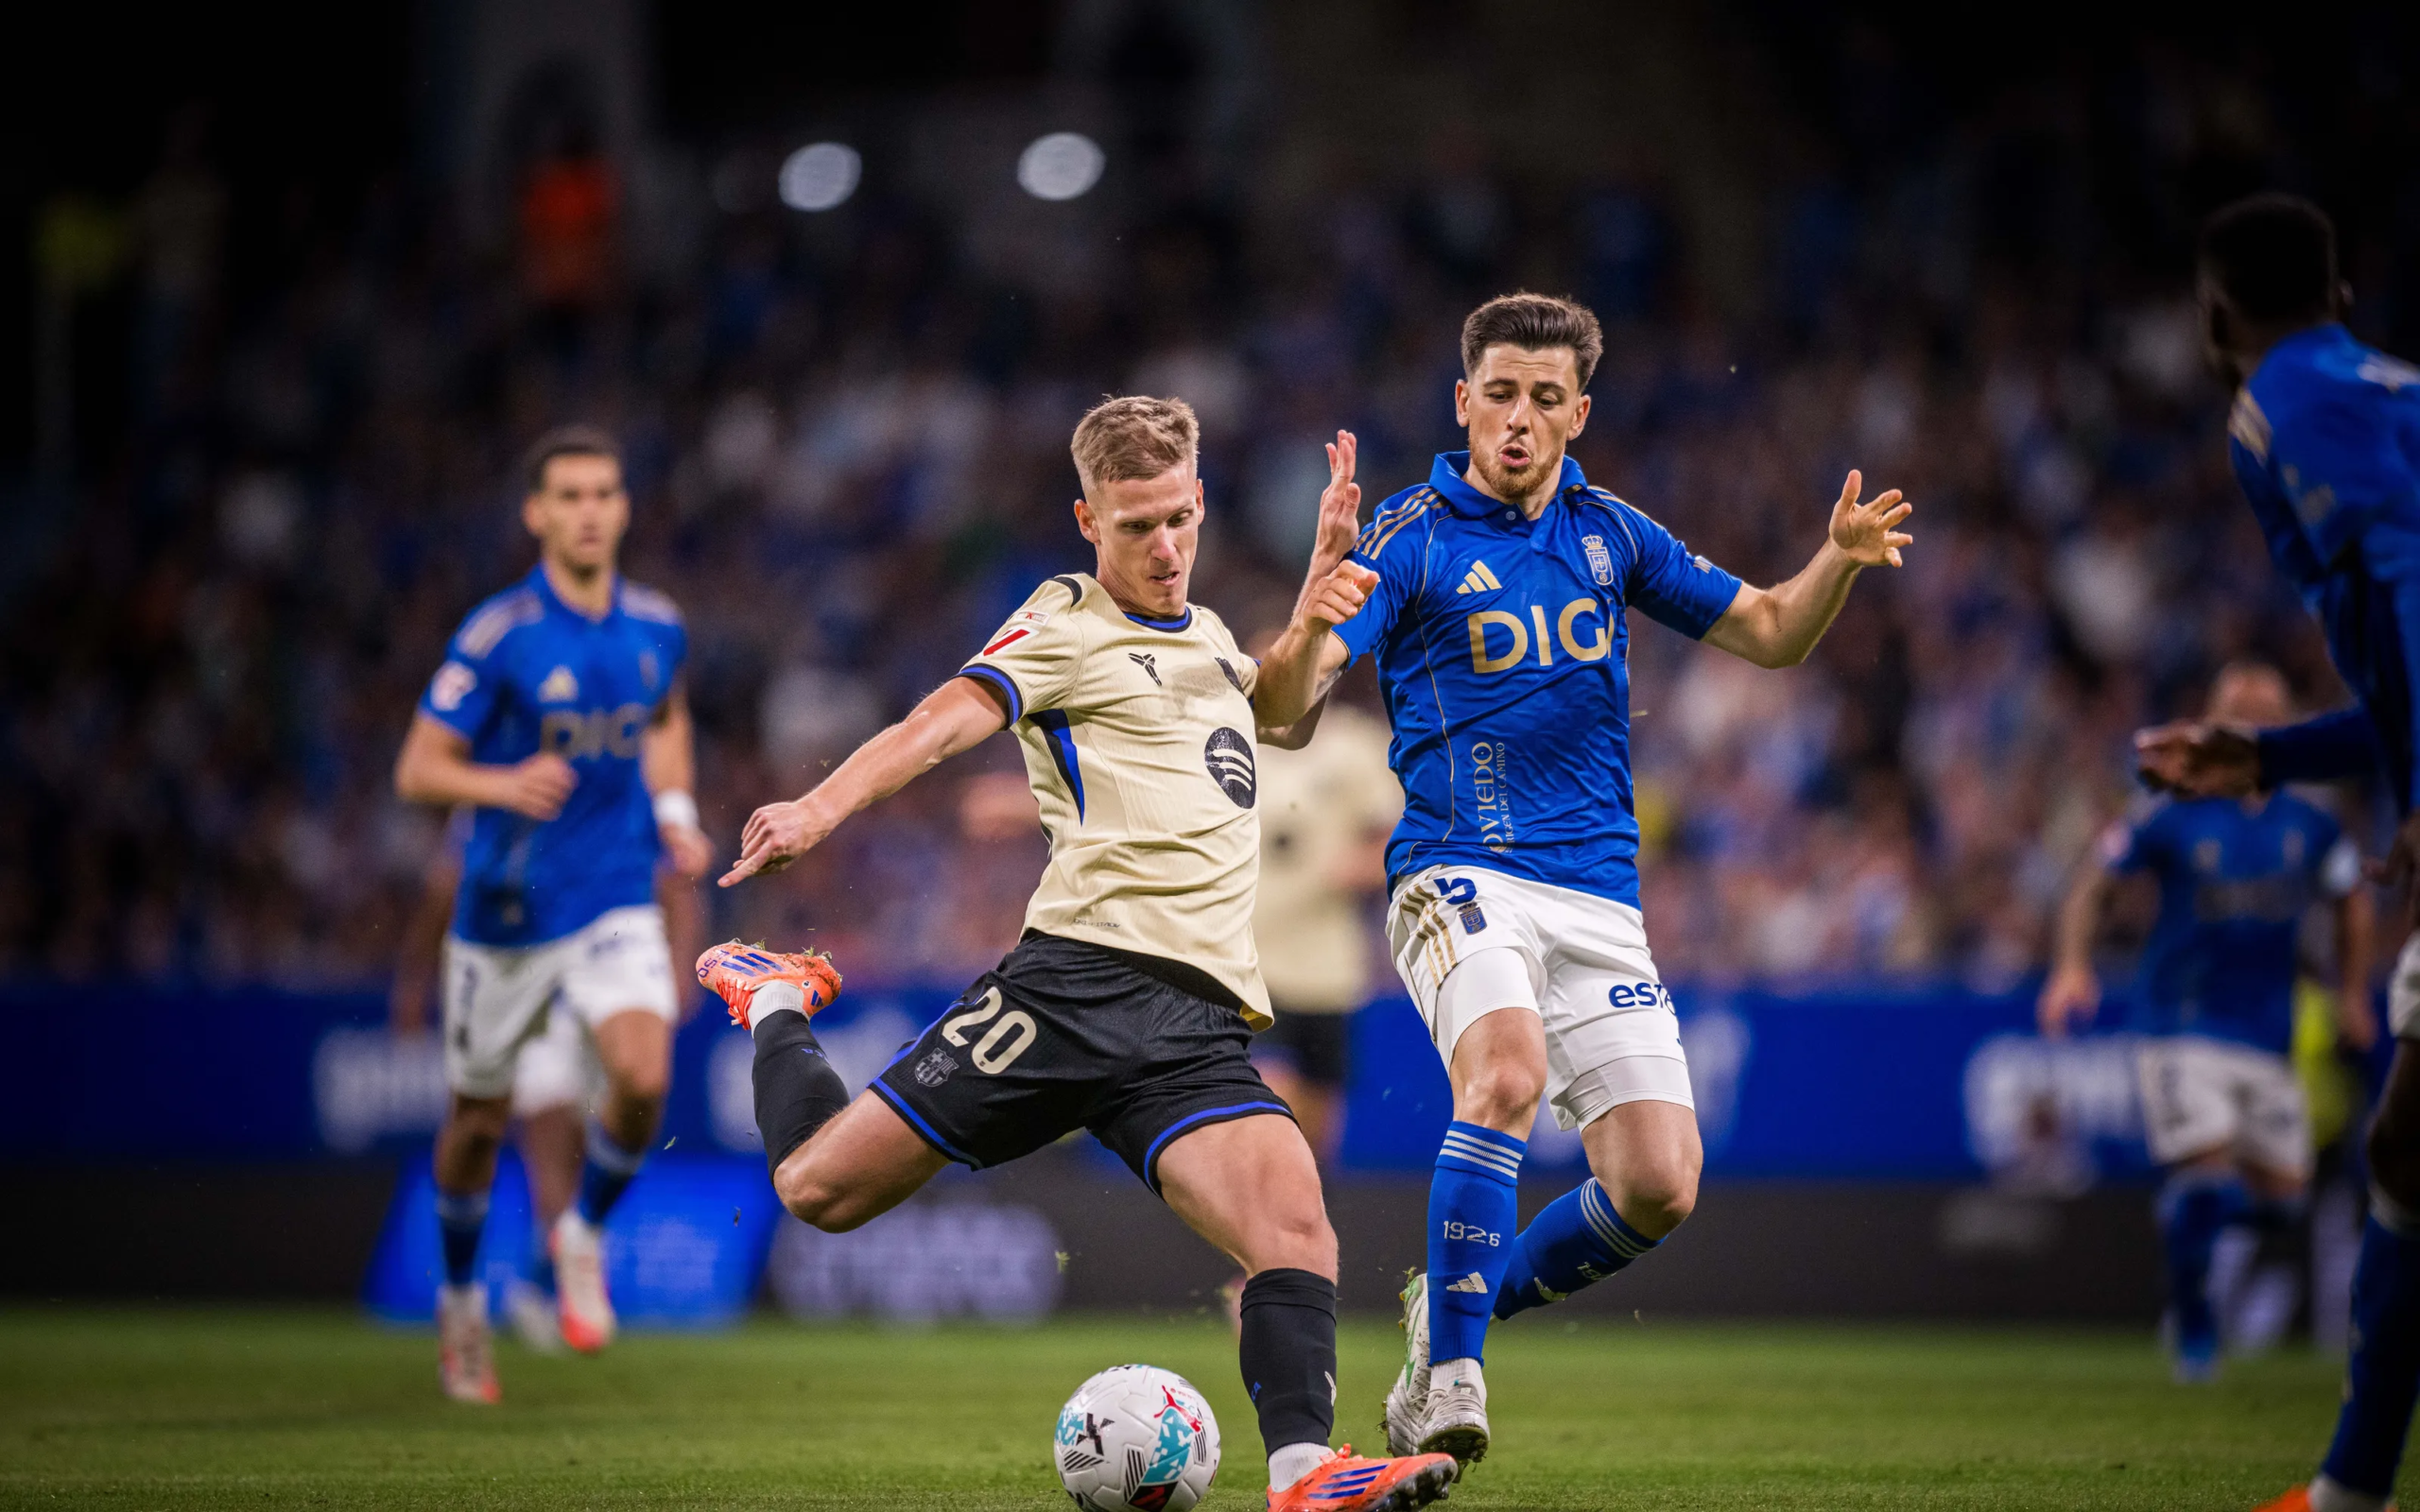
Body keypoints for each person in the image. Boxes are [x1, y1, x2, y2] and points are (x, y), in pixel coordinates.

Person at [699, 396, 1460, 1512]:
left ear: (1201, 505)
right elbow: (940, 722)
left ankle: (1304, 1474)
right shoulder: (1061, 619)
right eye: (1134, 525)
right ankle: (774, 998)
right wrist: (817, 808)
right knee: (818, 1188)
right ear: (1086, 520)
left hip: (1198, 1022)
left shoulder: (1205, 640)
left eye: (1177, 520)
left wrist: (1308, 608)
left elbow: (1285, 712)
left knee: (1293, 1221)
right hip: (1072, 988)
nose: (1162, 548)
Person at [1253, 291, 1913, 1468]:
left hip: (1597, 897)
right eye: (1497, 394)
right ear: (1463, 403)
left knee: (1659, 1184)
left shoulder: (1612, 534)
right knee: (1503, 1071)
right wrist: (1310, 616)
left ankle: (1446, 1311)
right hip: (1454, 871)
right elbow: (1285, 715)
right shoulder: (1408, 536)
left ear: (1579, 415)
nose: (1517, 419)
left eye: (1543, 399)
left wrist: (1837, 562)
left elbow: (1769, 631)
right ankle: (1452, 1379)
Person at [2131, 193, 2420, 1512]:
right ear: (2342, 288)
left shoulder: (2288, 407)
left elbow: (2414, 576)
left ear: (2215, 313)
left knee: (2407, 1159)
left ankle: (2350, 1487)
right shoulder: (2392, 382)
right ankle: (2349, 1484)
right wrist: (2275, 758)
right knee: (2408, 1155)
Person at [391, 426, 713, 1403]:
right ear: (536, 512)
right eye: (567, 494)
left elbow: (665, 722)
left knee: (645, 1075)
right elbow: (417, 770)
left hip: (614, 892)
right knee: (478, 1122)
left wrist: (675, 813)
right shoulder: (499, 636)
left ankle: (577, 1233)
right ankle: (459, 1305)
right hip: (507, 912)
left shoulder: (656, 626)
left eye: (603, 493)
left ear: (622, 508)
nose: (587, 510)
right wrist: (497, 781)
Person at [2041, 661, 2374, 1383]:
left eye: (2264, 715)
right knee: (2208, 1174)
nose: (2248, 727)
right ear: (2209, 724)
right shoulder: (2172, 806)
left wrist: (2351, 990)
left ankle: (2187, 1225)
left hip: (2267, 1032)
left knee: (2283, 1207)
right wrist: (2073, 965)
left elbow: (2350, 899)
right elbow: (2093, 883)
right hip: (2181, 1023)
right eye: (2235, 714)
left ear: (2287, 727)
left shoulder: (2311, 823)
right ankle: (2192, 1317)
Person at [391, 807, 709, 1352]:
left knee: (615, 1125)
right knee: (547, 1133)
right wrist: (415, 979)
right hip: (529, 979)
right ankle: (545, 1281)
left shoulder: (615, 774)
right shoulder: (496, 791)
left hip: (608, 971)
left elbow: (676, 883)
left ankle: (551, 1267)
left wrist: (682, 967)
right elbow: (445, 887)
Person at [1248, 660, 1401, 1161]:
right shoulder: (1224, 741)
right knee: (1266, 1108)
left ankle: (1297, 1219)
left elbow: (1402, 843)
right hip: (1248, 961)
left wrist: (1359, 866)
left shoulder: (1354, 746)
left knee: (1317, 1132)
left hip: (1327, 966)